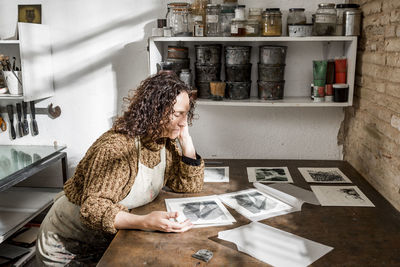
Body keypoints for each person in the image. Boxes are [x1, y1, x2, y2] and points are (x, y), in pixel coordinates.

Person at [36, 72, 204, 266]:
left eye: (186, 114)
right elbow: (93, 210)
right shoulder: (116, 149)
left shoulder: (163, 143)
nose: (184, 122)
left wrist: (187, 143)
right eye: (177, 114)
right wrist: (145, 221)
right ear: (154, 111)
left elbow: (188, 186)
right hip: (66, 247)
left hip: (105, 241)